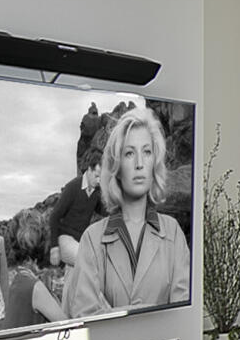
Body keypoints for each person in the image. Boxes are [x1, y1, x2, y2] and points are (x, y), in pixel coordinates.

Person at [61, 98, 191, 318]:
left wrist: (116, 312)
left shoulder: (173, 232)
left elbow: (183, 315)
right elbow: (85, 316)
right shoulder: (92, 238)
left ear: (155, 163)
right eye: (130, 153)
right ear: (117, 167)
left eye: (147, 152)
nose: (140, 163)